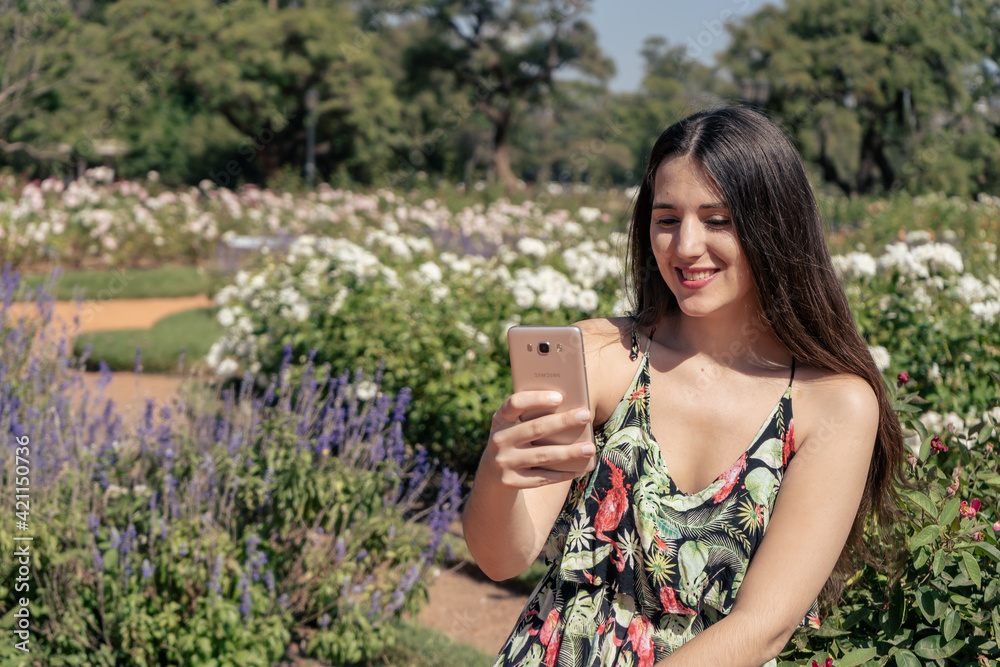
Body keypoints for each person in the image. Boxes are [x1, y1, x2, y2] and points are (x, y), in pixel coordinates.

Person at [462, 106, 906, 667]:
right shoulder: (602, 356)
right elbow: (502, 560)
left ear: (776, 225)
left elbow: (762, 628)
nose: (686, 246)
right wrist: (498, 474)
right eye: (667, 219)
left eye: (718, 220)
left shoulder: (833, 404)